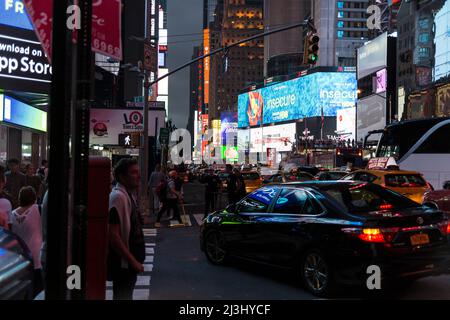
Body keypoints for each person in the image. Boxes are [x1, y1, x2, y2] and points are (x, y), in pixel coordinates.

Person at [107, 158, 145, 300]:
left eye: (138, 172)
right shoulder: (118, 197)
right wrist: (132, 261)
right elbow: (113, 235)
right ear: (122, 176)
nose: (138, 176)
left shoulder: (127, 195)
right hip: (124, 266)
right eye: (134, 173)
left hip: (128, 265)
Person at [9, 186, 43, 297]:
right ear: (33, 198)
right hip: (37, 259)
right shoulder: (37, 209)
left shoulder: (12, 214)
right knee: (38, 293)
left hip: (20, 261)